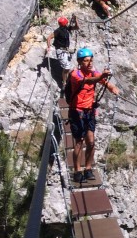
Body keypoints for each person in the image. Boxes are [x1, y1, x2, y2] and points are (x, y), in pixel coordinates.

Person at [66, 47, 120, 182]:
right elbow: (90, 81)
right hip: (77, 112)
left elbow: (102, 81)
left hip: (89, 112)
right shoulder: (75, 74)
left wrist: (111, 87)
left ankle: (88, 168)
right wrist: (101, 76)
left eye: (91, 60)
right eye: (86, 61)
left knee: (91, 142)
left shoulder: (93, 72)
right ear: (79, 62)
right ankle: (77, 171)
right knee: (79, 142)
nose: (89, 63)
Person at [45, 15, 76, 86]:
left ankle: (66, 80)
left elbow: (76, 27)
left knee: (68, 67)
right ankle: (64, 82)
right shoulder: (58, 31)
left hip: (65, 51)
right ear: (65, 23)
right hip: (61, 51)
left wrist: (76, 19)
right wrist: (48, 47)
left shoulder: (66, 29)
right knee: (67, 67)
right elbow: (49, 38)